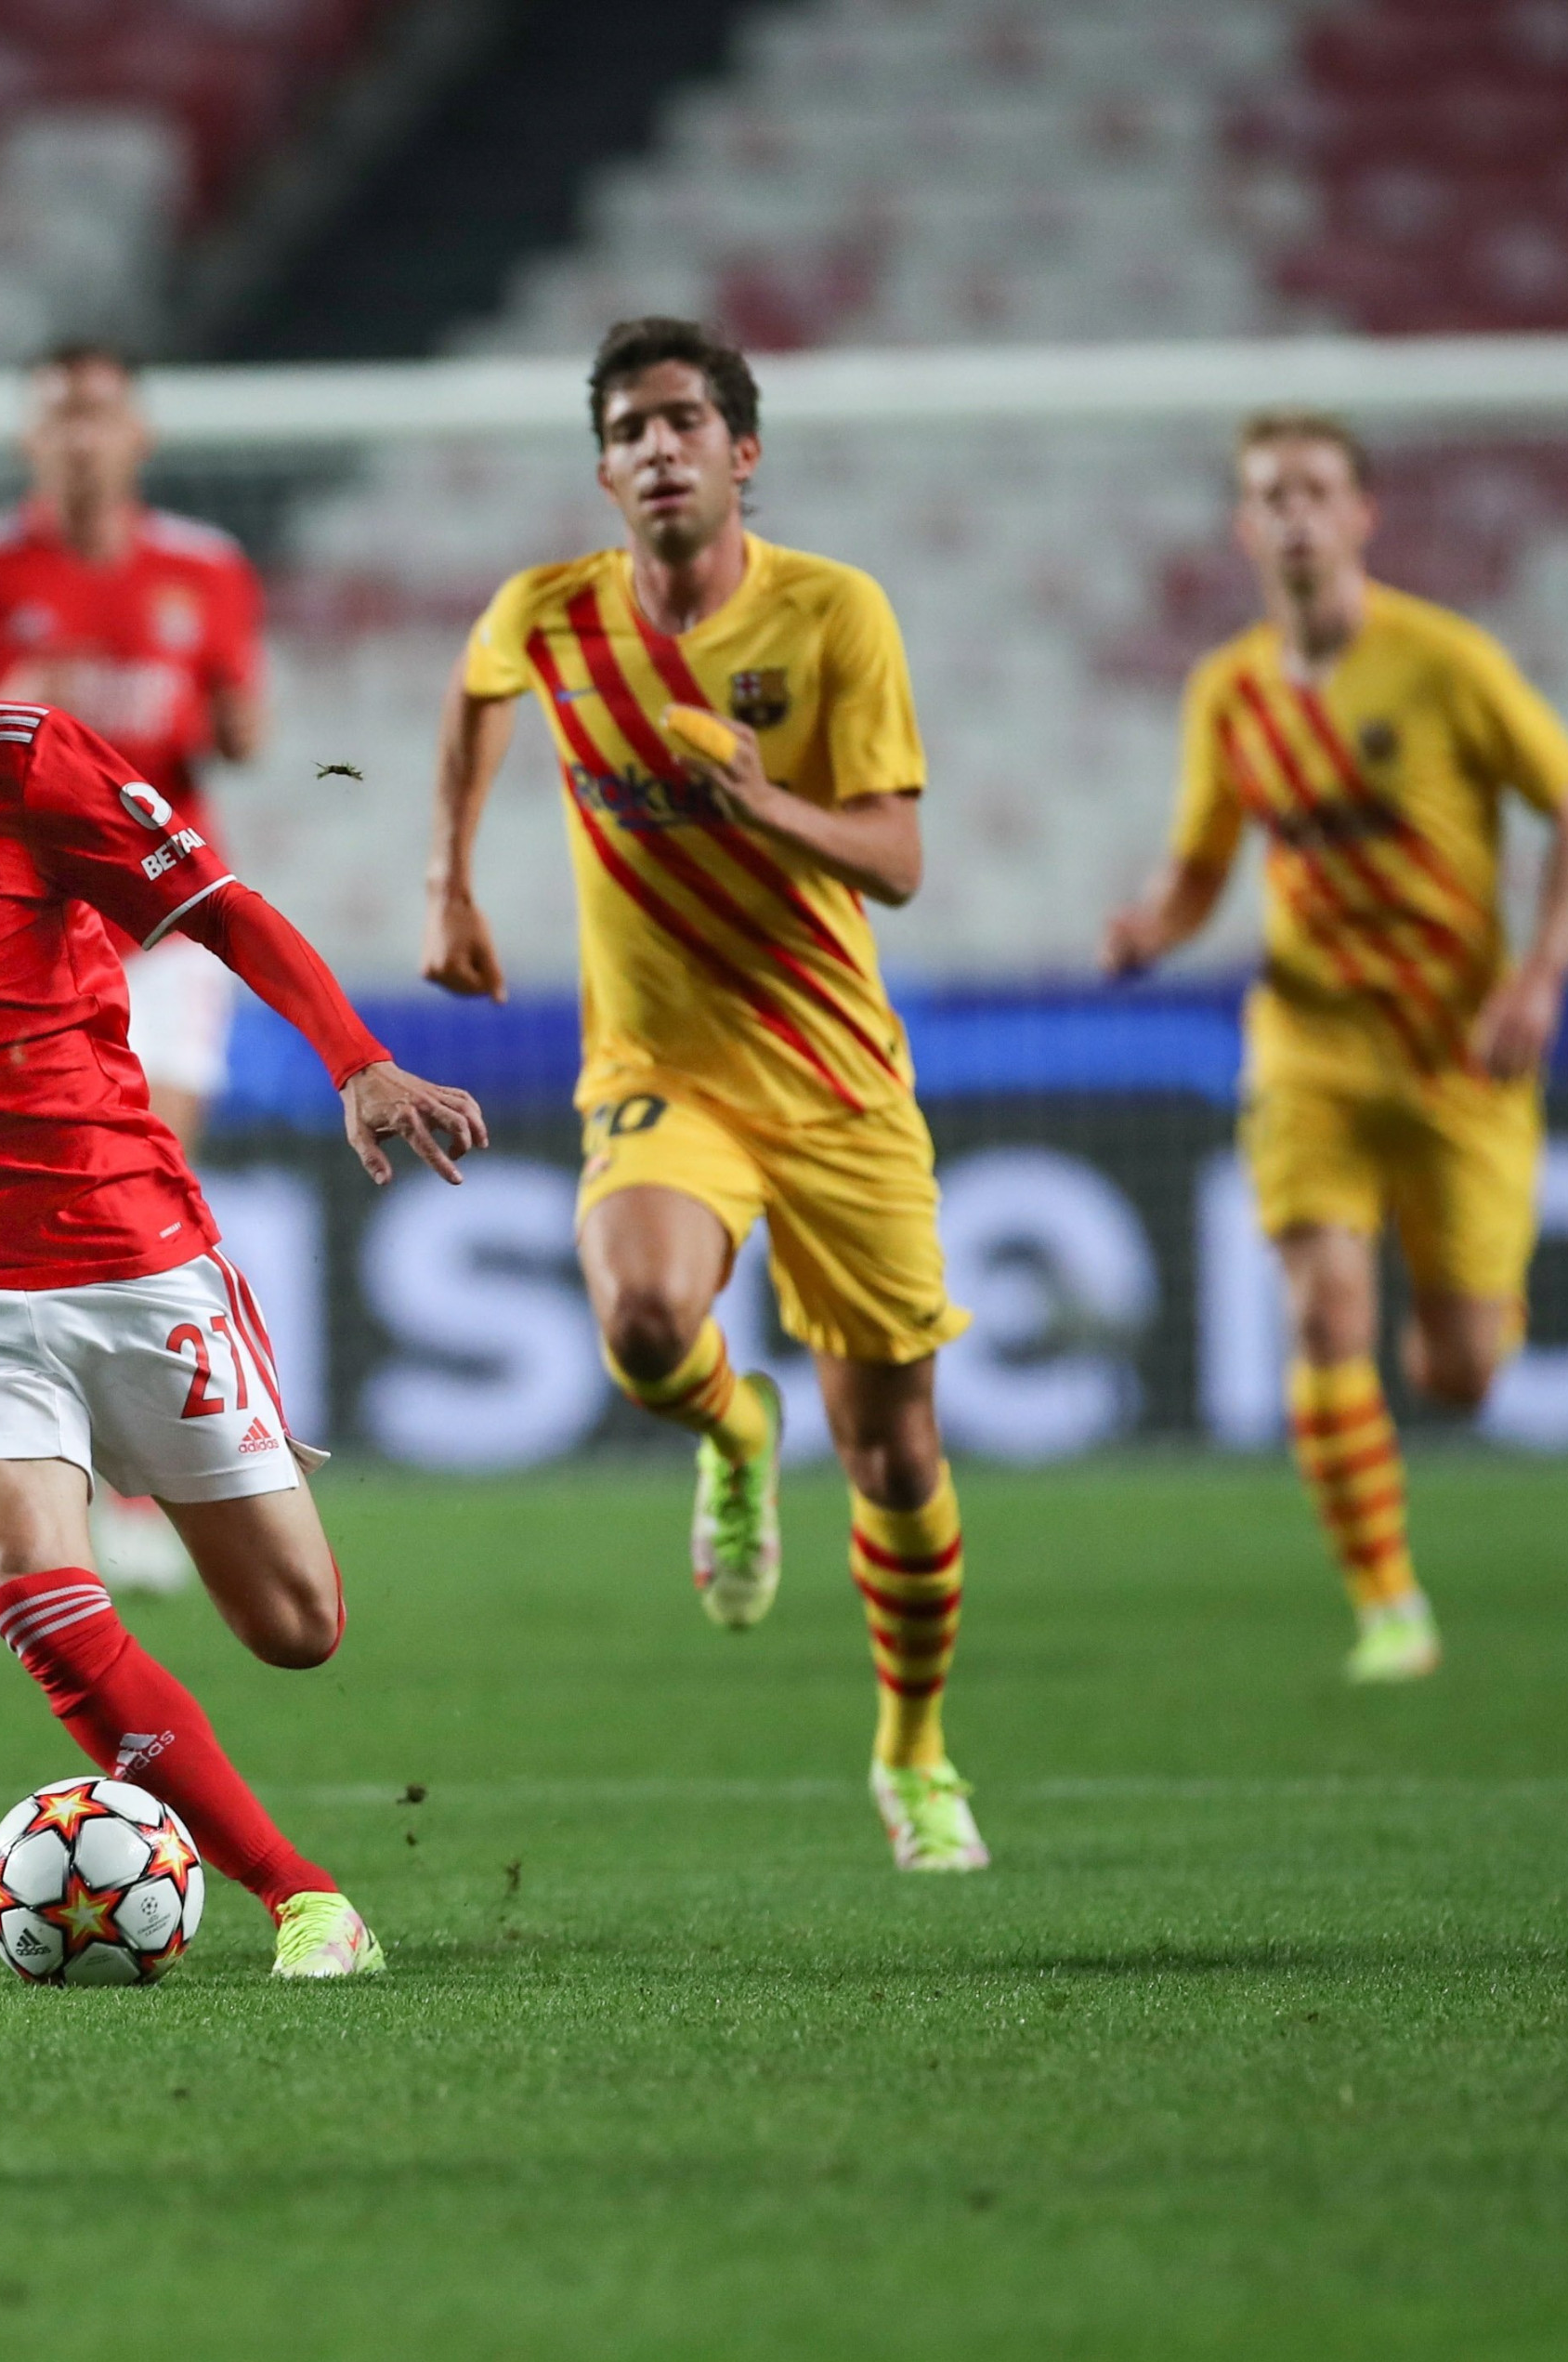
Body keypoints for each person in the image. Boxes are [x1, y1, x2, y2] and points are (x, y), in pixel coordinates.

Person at [0, 472, 487, 1977]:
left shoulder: (24, 759)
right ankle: (304, 1897)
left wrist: (360, 1063)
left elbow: (225, 911)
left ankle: (254, 1819)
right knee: (37, 1595)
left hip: (128, 1247)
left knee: (297, 1625)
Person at [422, 317, 983, 1873]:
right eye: (628, 429)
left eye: (684, 422)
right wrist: (450, 879)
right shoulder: (547, 616)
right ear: (604, 472)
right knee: (645, 1322)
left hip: (838, 1081)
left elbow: (900, 863)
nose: (657, 448)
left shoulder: (832, 617)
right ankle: (737, 1438)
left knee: (897, 1457)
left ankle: (914, 1752)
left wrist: (755, 798)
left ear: (743, 453)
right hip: (663, 1071)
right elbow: (477, 694)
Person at [1103, 410, 1568, 1683]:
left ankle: (1460, 1325)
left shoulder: (1444, 662)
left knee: (1461, 1371)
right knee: (1322, 1312)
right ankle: (1388, 1606)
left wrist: (1543, 975)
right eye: (1269, 495)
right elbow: (1202, 868)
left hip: (1460, 1053)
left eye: (1314, 492)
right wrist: (1150, 929)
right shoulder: (1226, 692)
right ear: (1244, 525)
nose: (1292, 515)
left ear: (1361, 515)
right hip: (1307, 1045)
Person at [0, 341, 268, 1594]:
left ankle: (157, 1486)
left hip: (163, 927)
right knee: (49, 1210)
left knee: (148, 1192)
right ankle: (51, 1467)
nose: (79, 438)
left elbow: (242, 730)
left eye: (99, 416)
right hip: (23, 943)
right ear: (29, 442)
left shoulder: (206, 572)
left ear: (137, 436)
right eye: (57, 418)